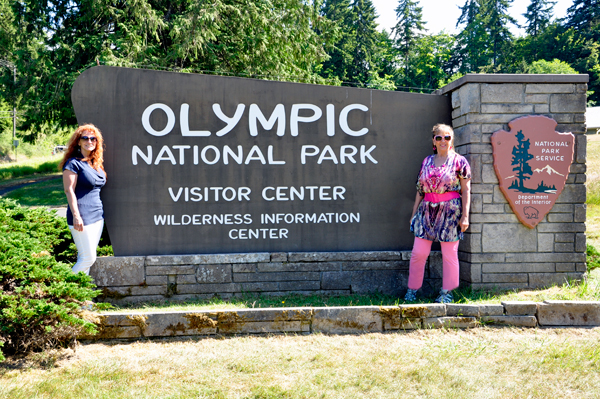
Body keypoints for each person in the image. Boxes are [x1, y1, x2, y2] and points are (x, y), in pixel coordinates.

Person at [404, 123, 471, 304]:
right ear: (434, 140)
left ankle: (447, 293)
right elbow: (420, 189)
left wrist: (465, 216)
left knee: (450, 254)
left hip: (450, 212)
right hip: (426, 212)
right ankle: (412, 290)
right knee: (418, 253)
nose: (443, 140)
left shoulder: (459, 162)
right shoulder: (426, 161)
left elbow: (466, 190)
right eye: (439, 137)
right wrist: (414, 214)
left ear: (451, 140)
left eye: (447, 137)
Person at [60, 124, 107, 275]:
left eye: (93, 138)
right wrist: (76, 215)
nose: (89, 141)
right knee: (88, 258)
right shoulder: (73, 163)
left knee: (84, 257)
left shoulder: (96, 164)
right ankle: (66, 290)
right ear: (78, 142)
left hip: (97, 216)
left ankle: (81, 295)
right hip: (81, 216)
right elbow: (69, 190)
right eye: (85, 138)